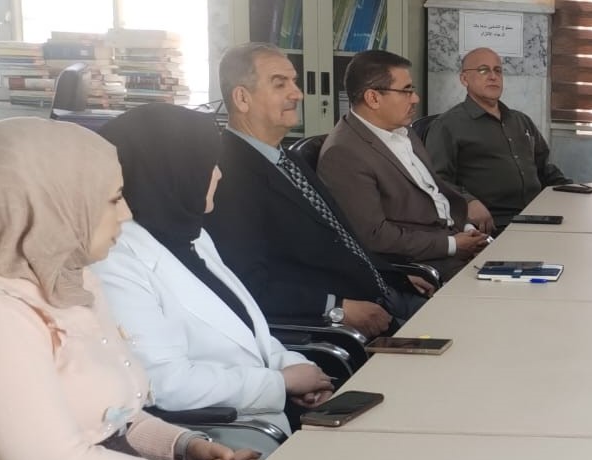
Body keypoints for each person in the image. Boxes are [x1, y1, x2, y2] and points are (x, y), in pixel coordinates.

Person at [0, 117, 260, 460]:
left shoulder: (73, 283)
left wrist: (184, 447)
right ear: (51, 204)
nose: (125, 213)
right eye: (111, 199)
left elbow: (115, 417)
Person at [92, 103, 335, 441]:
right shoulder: (116, 262)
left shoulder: (191, 235)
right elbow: (164, 384)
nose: (219, 174)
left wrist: (294, 367)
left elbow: (249, 334)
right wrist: (279, 384)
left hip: (269, 415)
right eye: (208, 165)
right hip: (221, 436)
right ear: (172, 172)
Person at [205, 43, 431, 339]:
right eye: (280, 84)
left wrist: (393, 275)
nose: (297, 93)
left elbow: (340, 237)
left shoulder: (289, 158)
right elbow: (247, 284)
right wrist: (335, 308)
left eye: (294, 82)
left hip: (383, 293)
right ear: (242, 98)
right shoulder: (226, 176)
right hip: (344, 324)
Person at [321, 49, 485, 278]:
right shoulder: (343, 153)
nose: (415, 98)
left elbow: (434, 195)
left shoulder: (403, 130)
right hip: (425, 264)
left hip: (456, 242)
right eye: (406, 91)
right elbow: (374, 235)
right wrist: (452, 245)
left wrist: (467, 229)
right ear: (373, 98)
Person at [427, 47, 569, 234]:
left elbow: (545, 169)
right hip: (493, 225)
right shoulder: (447, 125)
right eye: (483, 70)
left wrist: (574, 191)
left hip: (538, 217)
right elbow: (435, 179)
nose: (493, 76)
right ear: (464, 79)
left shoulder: (520, 120)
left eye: (498, 70)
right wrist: (467, 201)